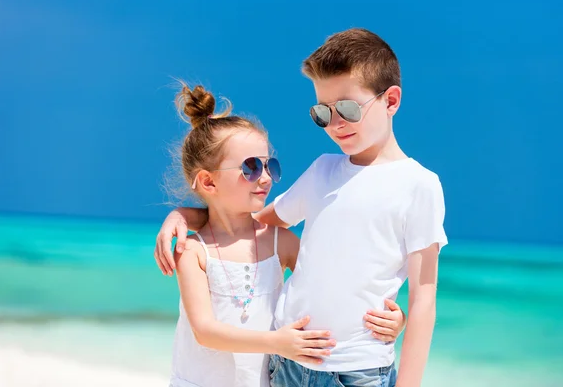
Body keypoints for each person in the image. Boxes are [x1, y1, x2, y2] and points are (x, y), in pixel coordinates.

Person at [165, 82, 407, 387]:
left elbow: (336, 287)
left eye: (270, 166)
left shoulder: (279, 241)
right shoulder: (194, 251)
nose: (266, 178)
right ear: (209, 183)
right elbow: (204, 331)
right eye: (250, 167)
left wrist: (396, 321)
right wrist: (277, 343)